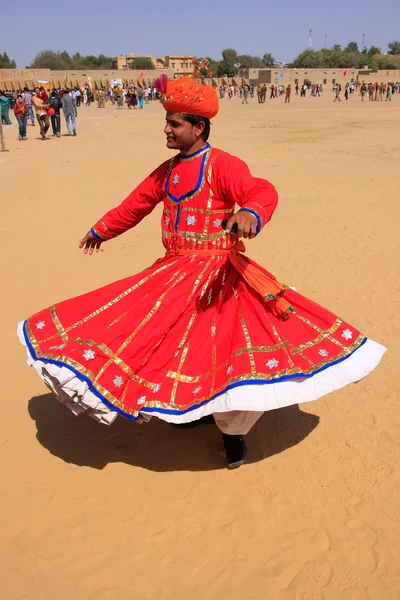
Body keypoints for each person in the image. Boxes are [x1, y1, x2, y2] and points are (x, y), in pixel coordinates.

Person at [18, 76, 386, 469]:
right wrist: (101, 230)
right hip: (174, 271)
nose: (167, 129)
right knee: (166, 344)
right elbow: (135, 205)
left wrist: (250, 212)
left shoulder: (222, 165)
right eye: (167, 122)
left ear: (199, 127)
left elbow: (262, 190)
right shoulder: (168, 171)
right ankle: (198, 409)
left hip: (218, 277)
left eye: (175, 123)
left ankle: (234, 437)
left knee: (223, 354)